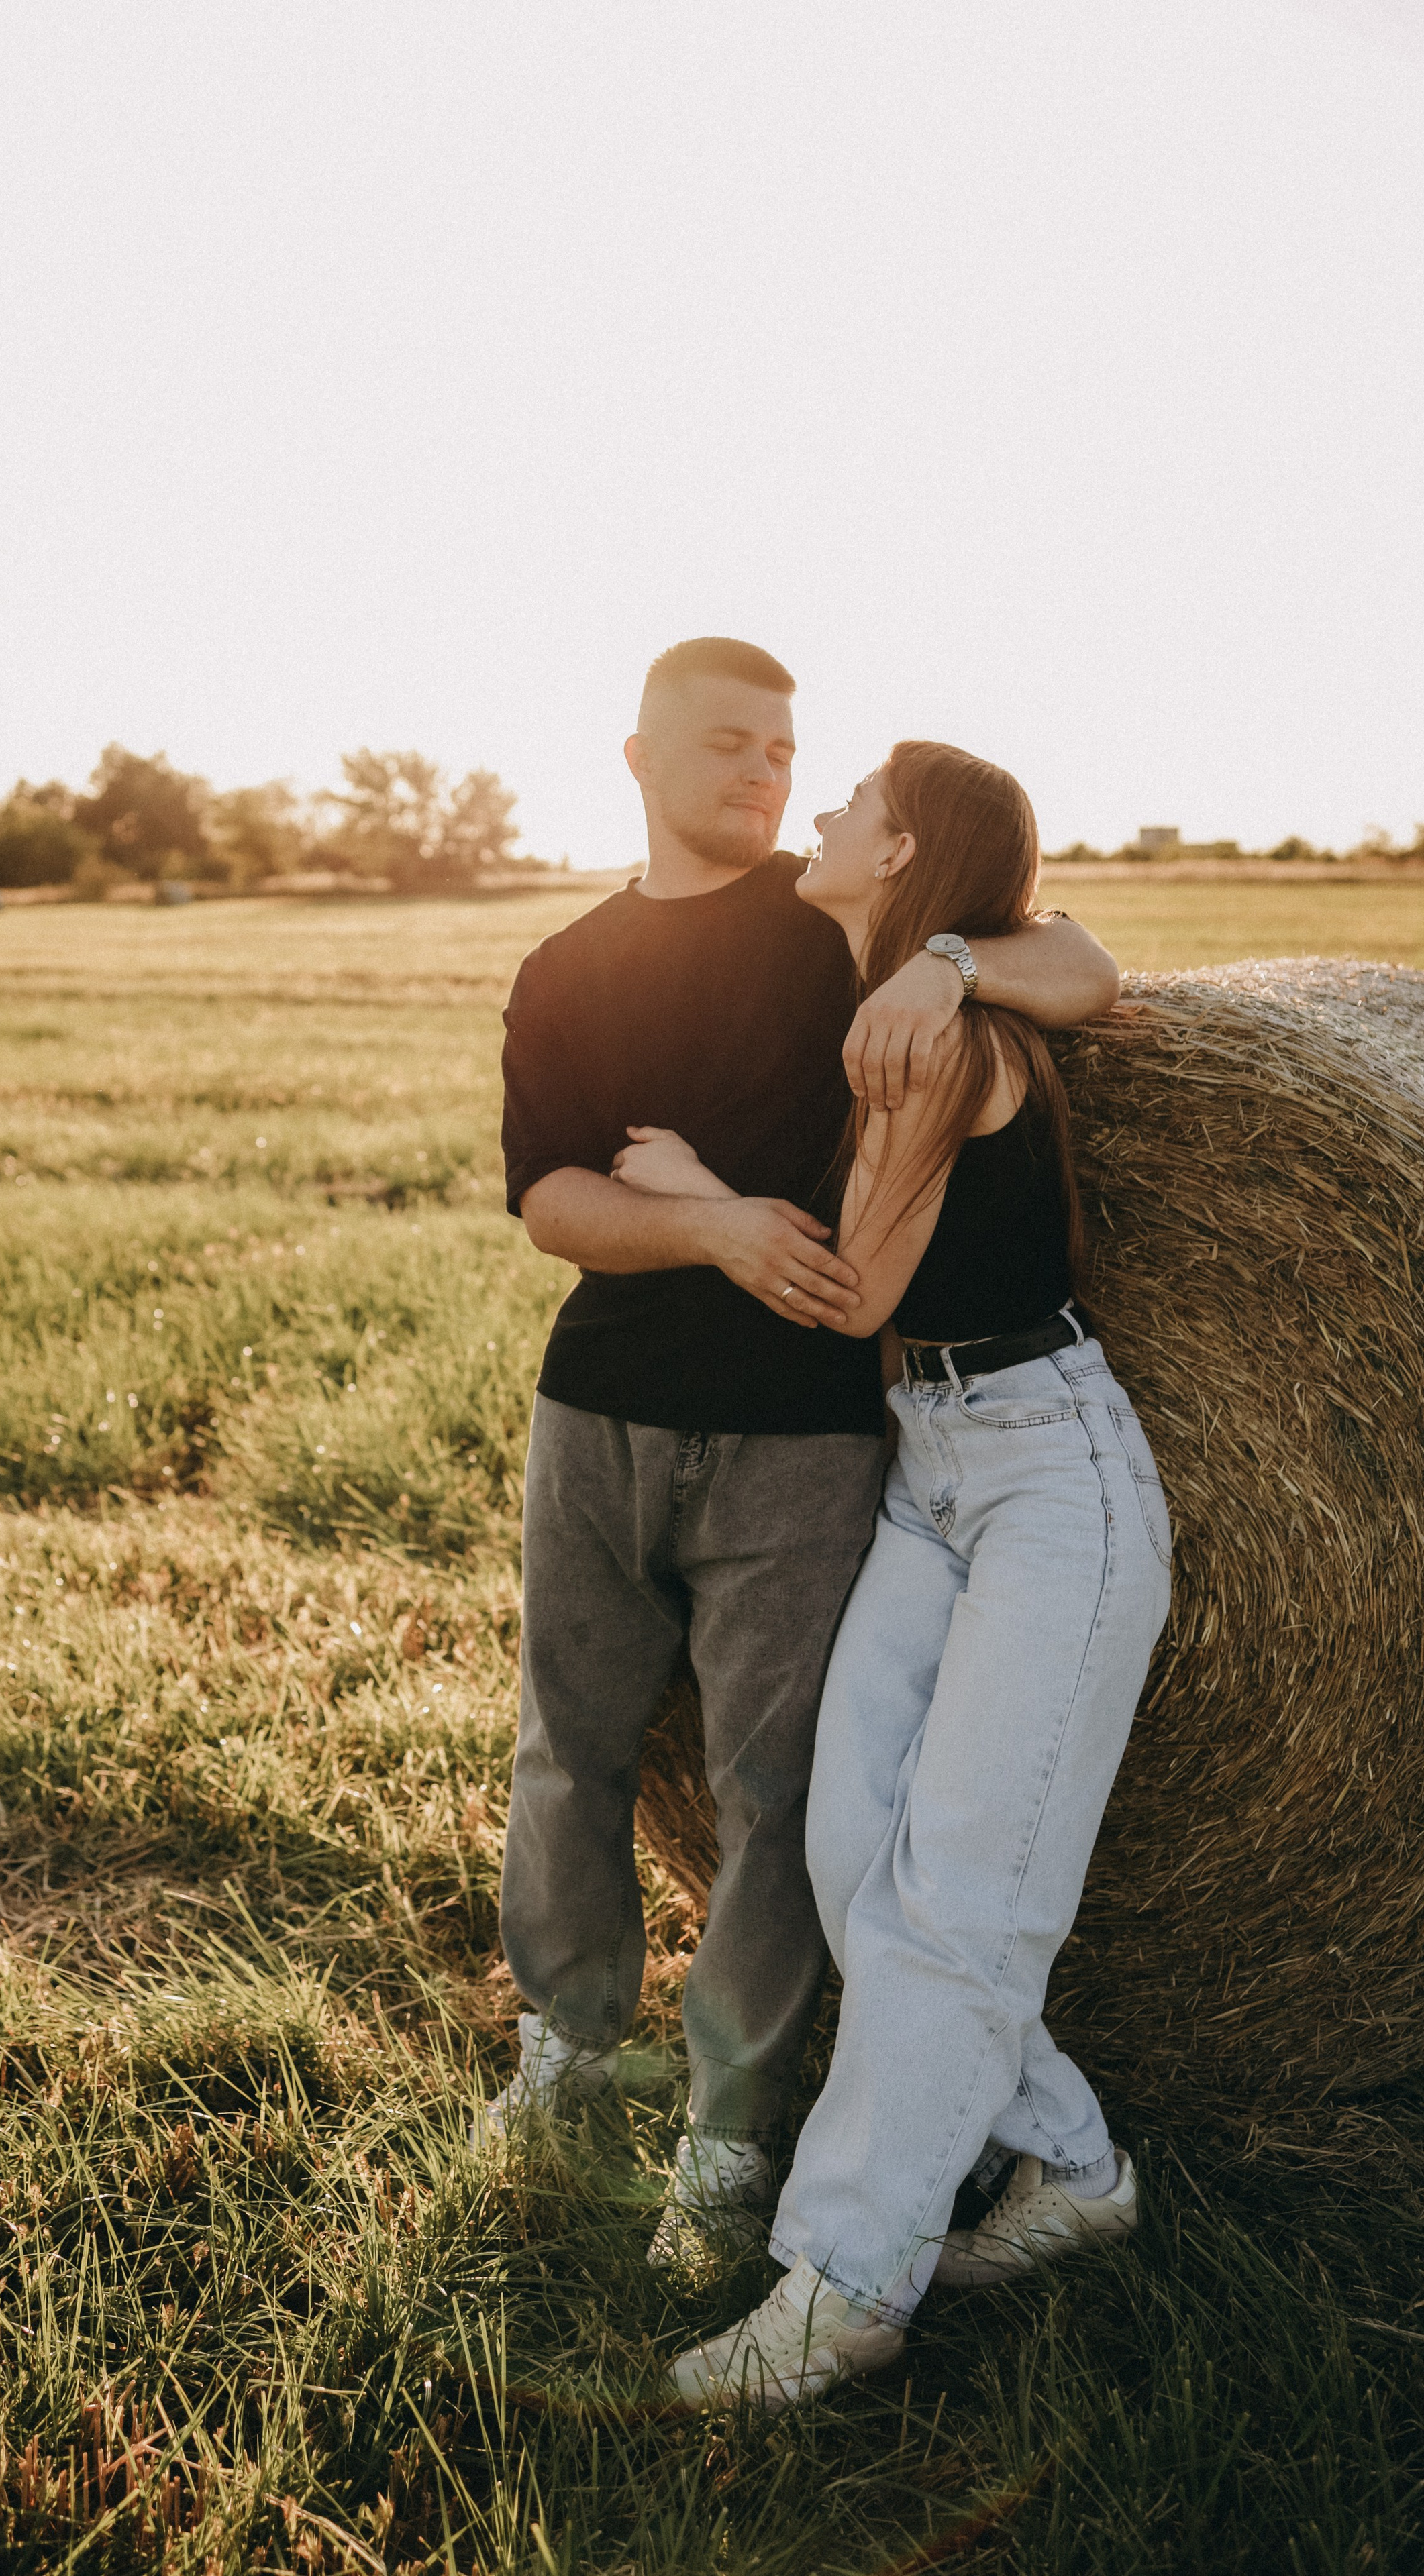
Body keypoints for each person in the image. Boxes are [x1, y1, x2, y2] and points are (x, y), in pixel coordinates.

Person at [484, 643, 1122, 2269]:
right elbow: (551, 1196)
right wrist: (711, 1228)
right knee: (569, 1748)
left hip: (807, 1441)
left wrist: (949, 967)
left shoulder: (850, 923)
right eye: (727, 745)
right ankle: (561, 2047)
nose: (767, 775)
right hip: (598, 1406)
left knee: (773, 1797)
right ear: (637, 757)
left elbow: (1082, 961)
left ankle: (727, 2134)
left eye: (784, 750)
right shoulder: (566, 964)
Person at [616, 742, 1171, 2406]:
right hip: (933, 1470)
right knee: (853, 1845)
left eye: (851, 797)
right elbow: (1065, 951)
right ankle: (1072, 2166)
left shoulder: (938, 1034)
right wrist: (939, 956)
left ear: (905, 847)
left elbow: (851, 1294)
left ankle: (845, 2285)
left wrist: (693, 1196)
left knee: (957, 1897)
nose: (819, 809)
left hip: (1046, 1476)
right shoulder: (898, 997)